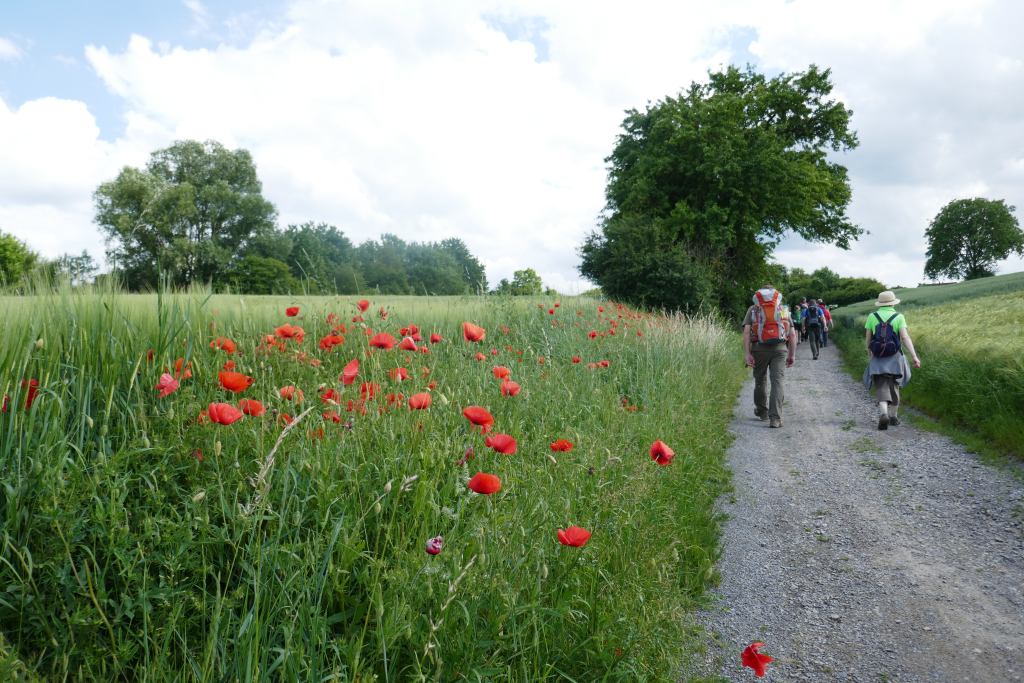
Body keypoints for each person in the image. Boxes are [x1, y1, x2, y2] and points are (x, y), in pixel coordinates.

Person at [863, 290, 922, 430]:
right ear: (893, 303)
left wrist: (870, 353)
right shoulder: (899, 317)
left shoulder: (872, 316)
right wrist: (914, 356)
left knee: (881, 387)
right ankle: (893, 417)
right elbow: (905, 337)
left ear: (880, 303)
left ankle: (884, 413)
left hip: (878, 358)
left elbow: (868, 338)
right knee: (894, 386)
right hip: (895, 358)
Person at [743, 285, 798, 428]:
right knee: (777, 382)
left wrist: (747, 353)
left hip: (758, 349)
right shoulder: (782, 308)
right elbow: (792, 334)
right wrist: (792, 354)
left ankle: (762, 412)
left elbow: (747, 332)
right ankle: (775, 419)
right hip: (780, 350)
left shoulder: (753, 309)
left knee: (760, 380)